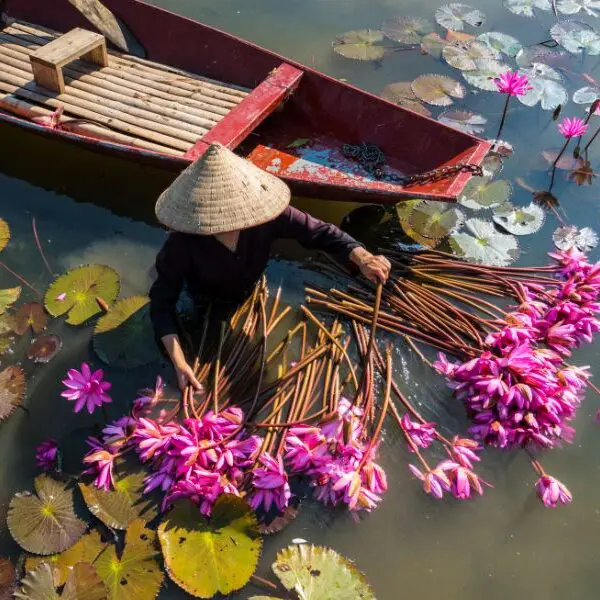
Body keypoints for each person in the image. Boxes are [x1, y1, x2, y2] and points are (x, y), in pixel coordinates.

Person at [149, 143, 391, 391]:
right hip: (203, 297)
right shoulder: (181, 244)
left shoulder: (266, 216)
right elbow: (160, 304)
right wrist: (179, 362)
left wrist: (362, 257)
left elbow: (320, 232)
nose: (229, 223)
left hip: (248, 287)